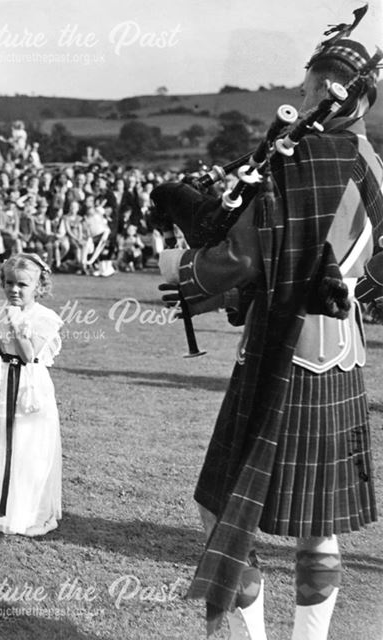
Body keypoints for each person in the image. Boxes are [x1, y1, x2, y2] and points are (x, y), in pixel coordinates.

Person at [155, 27, 381, 640]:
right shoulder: (373, 162)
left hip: (276, 350)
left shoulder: (299, 157)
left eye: (308, 90)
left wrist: (183, 268)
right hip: (341, 354)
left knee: (222, 508)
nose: (300, 99)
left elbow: (244, 257)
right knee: (320, 524)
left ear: (336, 94)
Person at [0, 254, 63, 541]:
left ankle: (27, 513)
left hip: (28, 384)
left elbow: (29, 355)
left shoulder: (45, 318)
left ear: (38, 286)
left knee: (26, 446)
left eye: (22, 285)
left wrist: (16, 324)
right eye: (9, 283)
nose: (14, 290)